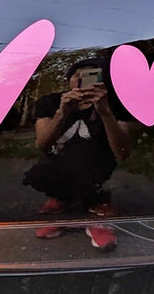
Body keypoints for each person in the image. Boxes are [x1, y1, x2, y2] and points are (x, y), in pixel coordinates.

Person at [24, 58, 131, 250]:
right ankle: (65, 199)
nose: (85, 81)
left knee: (84, 156)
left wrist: (105, 112)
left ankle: (97, 209)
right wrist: (62, 112)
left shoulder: (115, 103)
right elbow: (42, 144)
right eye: (79, 75)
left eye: (93, 75)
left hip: (98, 164)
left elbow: (122, 153)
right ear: (69, 81)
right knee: (38, 173)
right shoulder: (51, 102)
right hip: (60, 163)